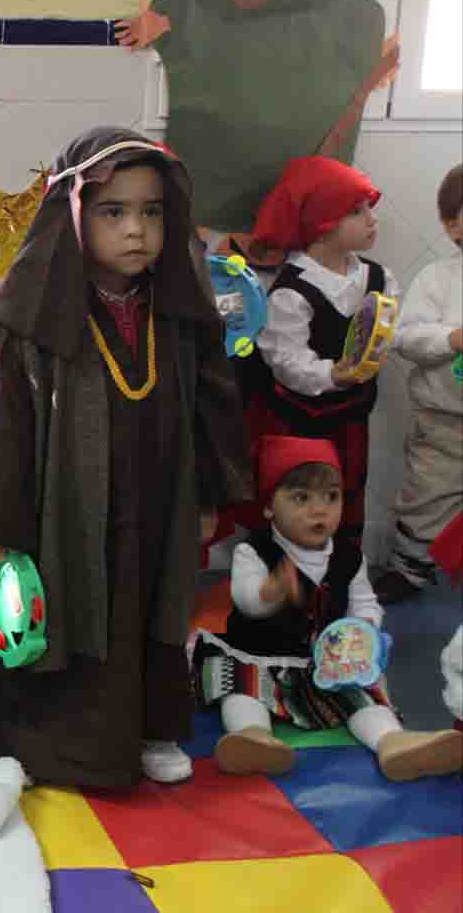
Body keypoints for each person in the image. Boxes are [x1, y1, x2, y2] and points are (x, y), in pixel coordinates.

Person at [0, 127, 253, 789]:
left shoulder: (178, 316)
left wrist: (207, 497)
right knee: (69, 606)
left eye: (152, 212)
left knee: (154, 602)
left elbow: (211, 408)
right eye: (114, 211)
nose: (136, 230)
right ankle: (57, 747)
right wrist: (2, 525)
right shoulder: (36, 320)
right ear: (73, 215)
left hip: (159, 497)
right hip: (67, 507)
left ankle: (151, 728)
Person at [193, 436, 463, 781]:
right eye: (301, 498)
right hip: (260, 654)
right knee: (240, 687)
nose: (319, 510)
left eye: (331, 497)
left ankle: (392, 742)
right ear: (269, 507)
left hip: (326, 663)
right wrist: (269, 591)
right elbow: (246, 602)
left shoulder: (349, 557)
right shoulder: (254, 551)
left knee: (364, 691)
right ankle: (252, 736)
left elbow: (364, 602)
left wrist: (364, 629)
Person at [249, 156, 399, 550]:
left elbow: (387, 328)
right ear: (321, 224)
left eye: (368, 208)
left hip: (353, 417)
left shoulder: (378, 278)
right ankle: (286, 570)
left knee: (348, 487)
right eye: (356, 211)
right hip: (301, 422)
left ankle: (343, 568)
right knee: (301, 491)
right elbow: (285, 360)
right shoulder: (292, 291)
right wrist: (333, 373)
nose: (372, 219)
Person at [373, 163, 463, 603]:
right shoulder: (438, 278)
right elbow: (406, 337)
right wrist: (451, 338)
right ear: (451, 225)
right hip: (445, 421)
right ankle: (410, 567)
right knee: (427, 496)